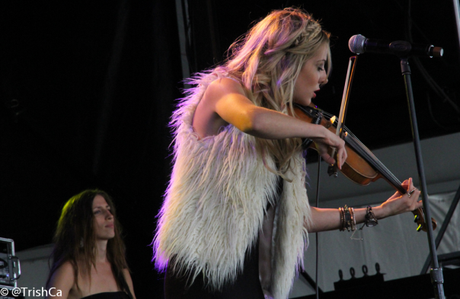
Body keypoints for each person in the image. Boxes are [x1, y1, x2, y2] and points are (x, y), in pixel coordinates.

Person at [152, 7, 422, 299]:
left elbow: (297, 217)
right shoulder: (222, 88)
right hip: (202, 273)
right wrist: (317, 131)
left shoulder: (285, 131)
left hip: (246, 281)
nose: (323, 78)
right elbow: (249, 119)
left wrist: (379, 212)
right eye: (318, 66)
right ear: (290, 62)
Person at [46, 189, 136, 299]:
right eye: (98, 211)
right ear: (81, 223)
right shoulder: (69, 270)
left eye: (108, 209)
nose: (109, 215)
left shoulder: (120, 270)